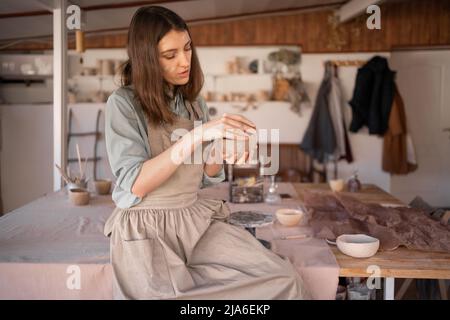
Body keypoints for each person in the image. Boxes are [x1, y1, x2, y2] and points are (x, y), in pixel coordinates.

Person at [103, 5, 309, 300]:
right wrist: (198, 134)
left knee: (283, 278)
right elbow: (137, 183)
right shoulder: (123, 104)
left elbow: (203, 176)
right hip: (146, 226)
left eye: (187, 48)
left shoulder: (193, 102)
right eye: (170, 55)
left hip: (193, 217)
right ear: (146, 58)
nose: (185, 61)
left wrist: (224, 148)